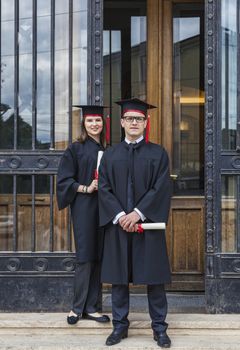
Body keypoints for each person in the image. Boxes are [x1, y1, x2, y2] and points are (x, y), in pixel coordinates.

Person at [98, 98, 172, 347]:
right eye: (129, 118)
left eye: (138, 119)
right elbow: (104, 189)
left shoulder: (158, 153)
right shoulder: (110, 155)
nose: (134, 123)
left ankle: (159, 328)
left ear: (145, 122)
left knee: (154, 279)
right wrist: (120, 216)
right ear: (121, 122)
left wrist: (138, 213)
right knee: (119, 278)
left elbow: (161, 188)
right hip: (119, 225)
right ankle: (119, 326)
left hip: (146, 224)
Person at [57, 105, 110, 325]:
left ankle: (93, 308)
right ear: (83, 124)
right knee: (85, 256)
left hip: (105, 207)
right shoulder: (75, 149)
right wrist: (87, 188)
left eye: (98, 121)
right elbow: (64, 181)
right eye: (90, 122)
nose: (94, 125)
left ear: (103, 124)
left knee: (98, 256)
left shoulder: (109, 150)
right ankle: (77, 308)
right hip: (85, 207)